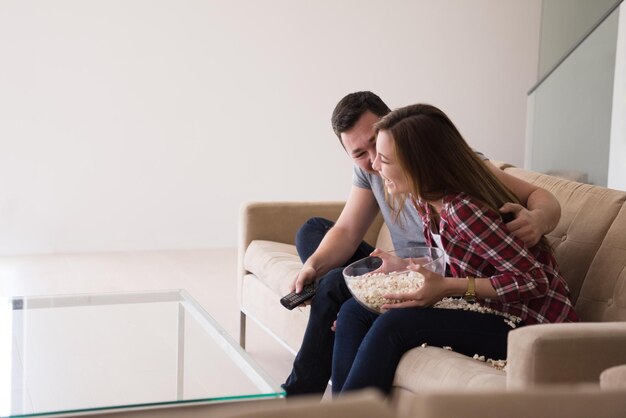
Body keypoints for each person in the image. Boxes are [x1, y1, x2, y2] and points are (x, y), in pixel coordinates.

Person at [282, 92, 562, 397]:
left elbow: (534, 280)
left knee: (391, 323)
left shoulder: (463, 207)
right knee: (351, 310)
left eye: (382, 154)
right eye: (362, 155)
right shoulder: (423, 198)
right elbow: (456, 260)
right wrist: (402, 267)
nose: (374, 164)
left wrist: (445, 287)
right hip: (473, 299)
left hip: (522, 321)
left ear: (413, 155)